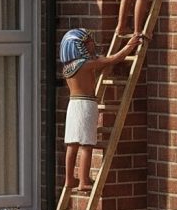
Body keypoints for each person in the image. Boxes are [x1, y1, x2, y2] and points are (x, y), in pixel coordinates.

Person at [59, 27, 138, 194]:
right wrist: (130, 46)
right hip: (86, 104)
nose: (92, 45)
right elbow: (113, 59)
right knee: (87, 144)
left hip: (72, 105)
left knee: (72, 144)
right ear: (78, 46)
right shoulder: (86, 64)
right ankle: (84, 180)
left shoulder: (68, 67)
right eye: (88, 43)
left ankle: (69, 179)